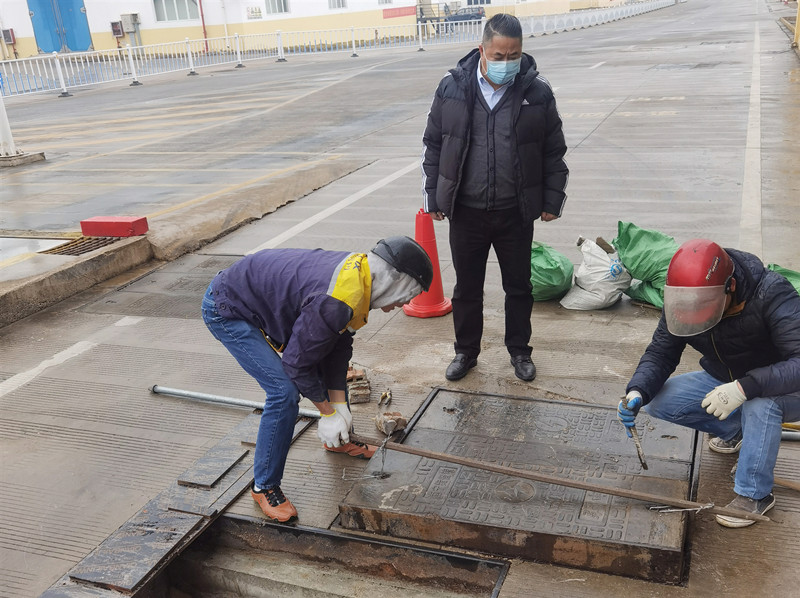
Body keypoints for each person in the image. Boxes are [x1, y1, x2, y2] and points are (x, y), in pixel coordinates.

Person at [202, 236, 433, 522]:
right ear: (392, 281)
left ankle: (338, 440)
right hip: (228, 306)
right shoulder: (338, 298)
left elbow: (337, 350)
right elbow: (296, 364)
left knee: (325, 360)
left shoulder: (361, 279)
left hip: (258, 291)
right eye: (404, 296)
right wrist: (327, 413)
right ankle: (264, 485)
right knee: (283, 393)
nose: (400, 305)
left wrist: (339, 406)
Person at [421, 13, 569, 383]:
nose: (507, 63)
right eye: (499, 55)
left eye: (514, 55)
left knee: (518, 287)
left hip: (514, 211)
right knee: (466, 288)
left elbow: (553, 150)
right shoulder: (451, 88)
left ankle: (520, 351)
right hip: (466, 211)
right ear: (482, 51)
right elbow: (435, 145)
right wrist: (434, 196)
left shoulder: (537, 91)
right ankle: (465, 353)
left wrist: (552, 200)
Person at [618, 239, 800, 527]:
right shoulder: (684, 301)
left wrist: (744, 388)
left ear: (731, 286)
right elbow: (661, 352)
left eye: (704, 304)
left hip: (786, 385)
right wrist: (638, 390)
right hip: (728, 378)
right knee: (659, 401)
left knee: (761, 406)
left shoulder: (772, 293)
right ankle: (740, 431)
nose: (695, 311)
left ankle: (755, 495)